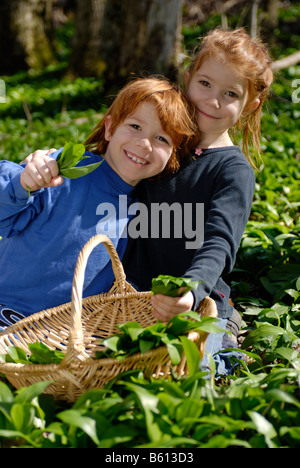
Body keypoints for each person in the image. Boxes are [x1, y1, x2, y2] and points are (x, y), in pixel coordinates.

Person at [123, 27, 273, 375]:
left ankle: (225, 332)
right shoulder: (159, 144)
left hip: (197, 301)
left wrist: (190, 292)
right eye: (204, 84)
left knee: (189, 372)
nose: (213, 100)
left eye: (230, 93)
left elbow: (219, 242)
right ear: (188, 78)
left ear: (250, 104)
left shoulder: (232, 171)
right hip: (134, 298)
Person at [0, 77, 199, 328]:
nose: (144, 144)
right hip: (6, 306)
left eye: (162, 139)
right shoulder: (66, 170)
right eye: (135, 126)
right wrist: (23, 183)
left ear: (172, 157)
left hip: (64, 336)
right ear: (110, 127)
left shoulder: (145, 207)